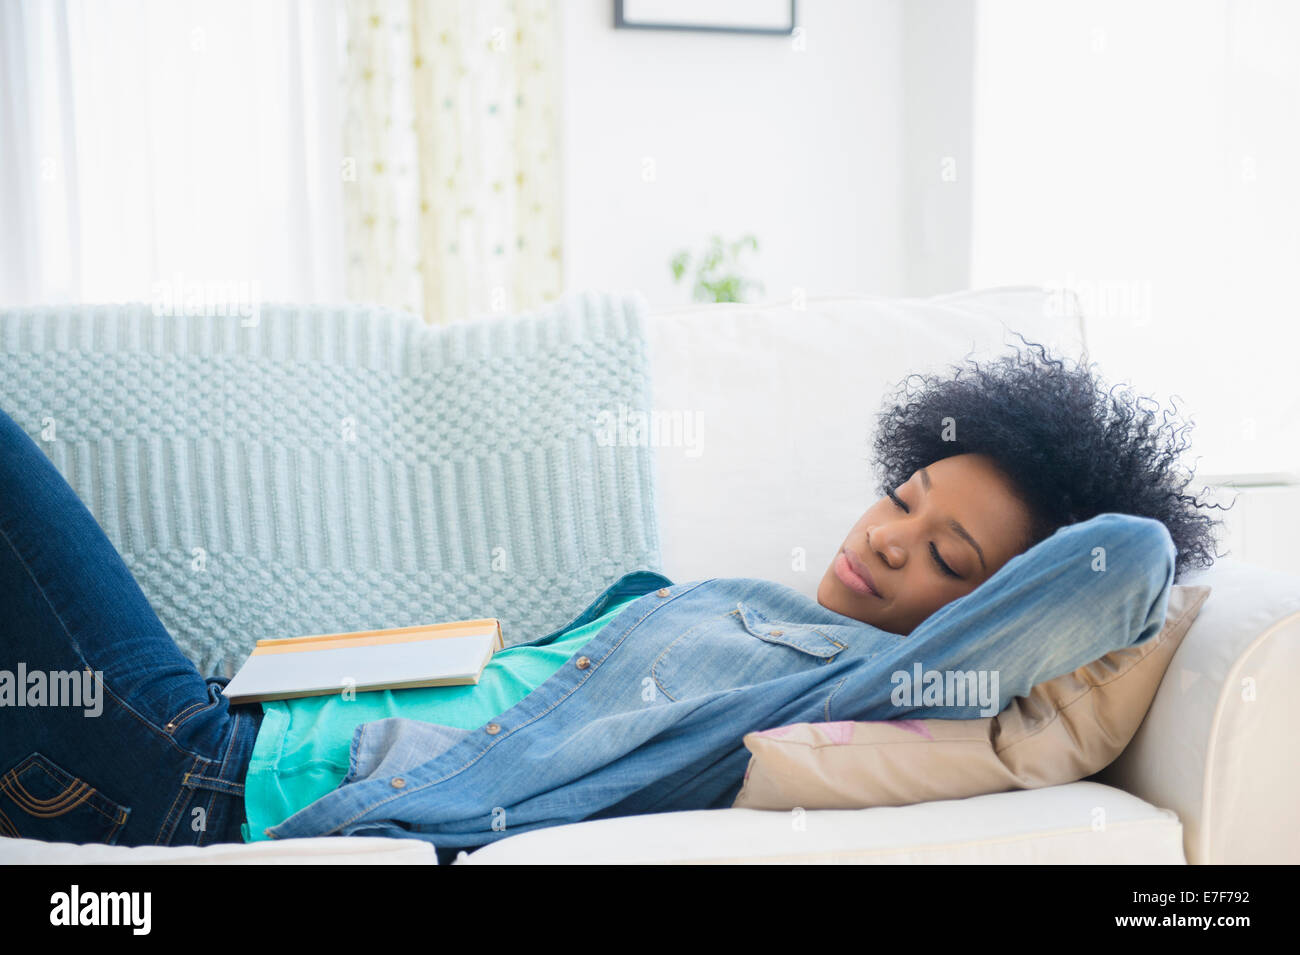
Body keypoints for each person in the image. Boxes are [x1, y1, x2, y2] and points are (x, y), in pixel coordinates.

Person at [0, 338, 1224, 859]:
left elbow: (1116, 561)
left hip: (194, 779)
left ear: (988, 621)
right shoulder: (751, 604)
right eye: (904, 494)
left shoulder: (849, 695)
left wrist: (1154, 554)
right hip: (216, 723)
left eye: (950, 561)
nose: (890, 539)